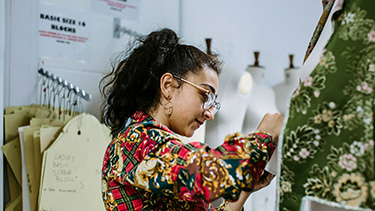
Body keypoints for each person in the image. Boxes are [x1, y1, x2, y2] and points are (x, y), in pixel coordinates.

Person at [100, 28, 284, 211]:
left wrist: (244, 190)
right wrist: (263, 138)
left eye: (214, 103)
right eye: (206, 96)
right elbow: (206, 174)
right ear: (168, 85)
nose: (210, 114)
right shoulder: (138, 142)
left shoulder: (155, 146)